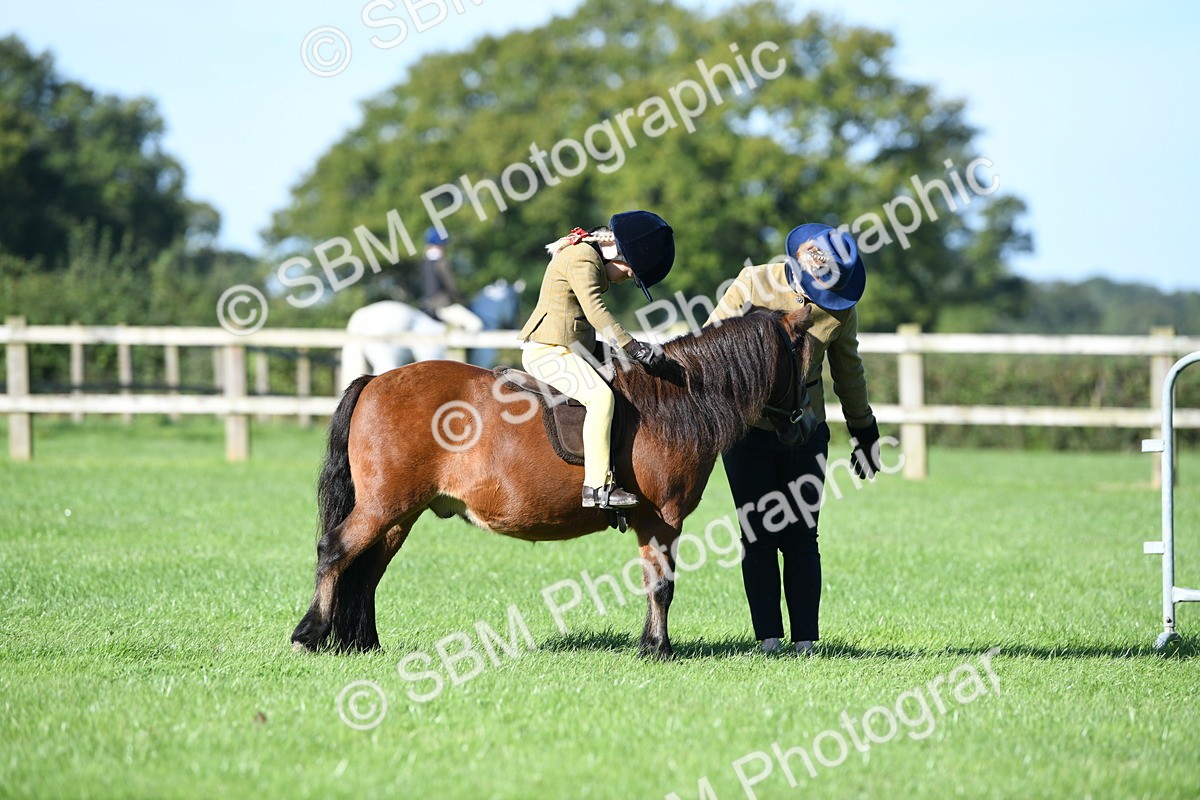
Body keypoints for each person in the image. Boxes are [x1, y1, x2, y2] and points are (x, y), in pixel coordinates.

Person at [706, 222, 882, 655]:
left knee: (802, 534)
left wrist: (863, 428)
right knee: (757, 533)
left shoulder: (841, 305)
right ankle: (768, 639)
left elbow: (848, 370)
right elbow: (709, 343)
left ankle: (806, 641)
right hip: (747, 429)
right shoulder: (752, 283)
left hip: (805, 433)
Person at [518, 211, 674, 509]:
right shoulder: (582, 258)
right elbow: (595, 311)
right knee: (601, 399)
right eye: (630, 273)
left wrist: (634, 356)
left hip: (570, 346)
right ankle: (597, 487)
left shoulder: (586, 256)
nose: (626, 279)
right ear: (617, 253)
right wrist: (632, 346)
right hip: (548, 352)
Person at [420, 228, 484, 332]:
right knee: (476, 324)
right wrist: (463, 299)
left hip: (425, 305)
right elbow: (452, 287)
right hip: (442, 306)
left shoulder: (424, 262)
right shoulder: (442, 263)